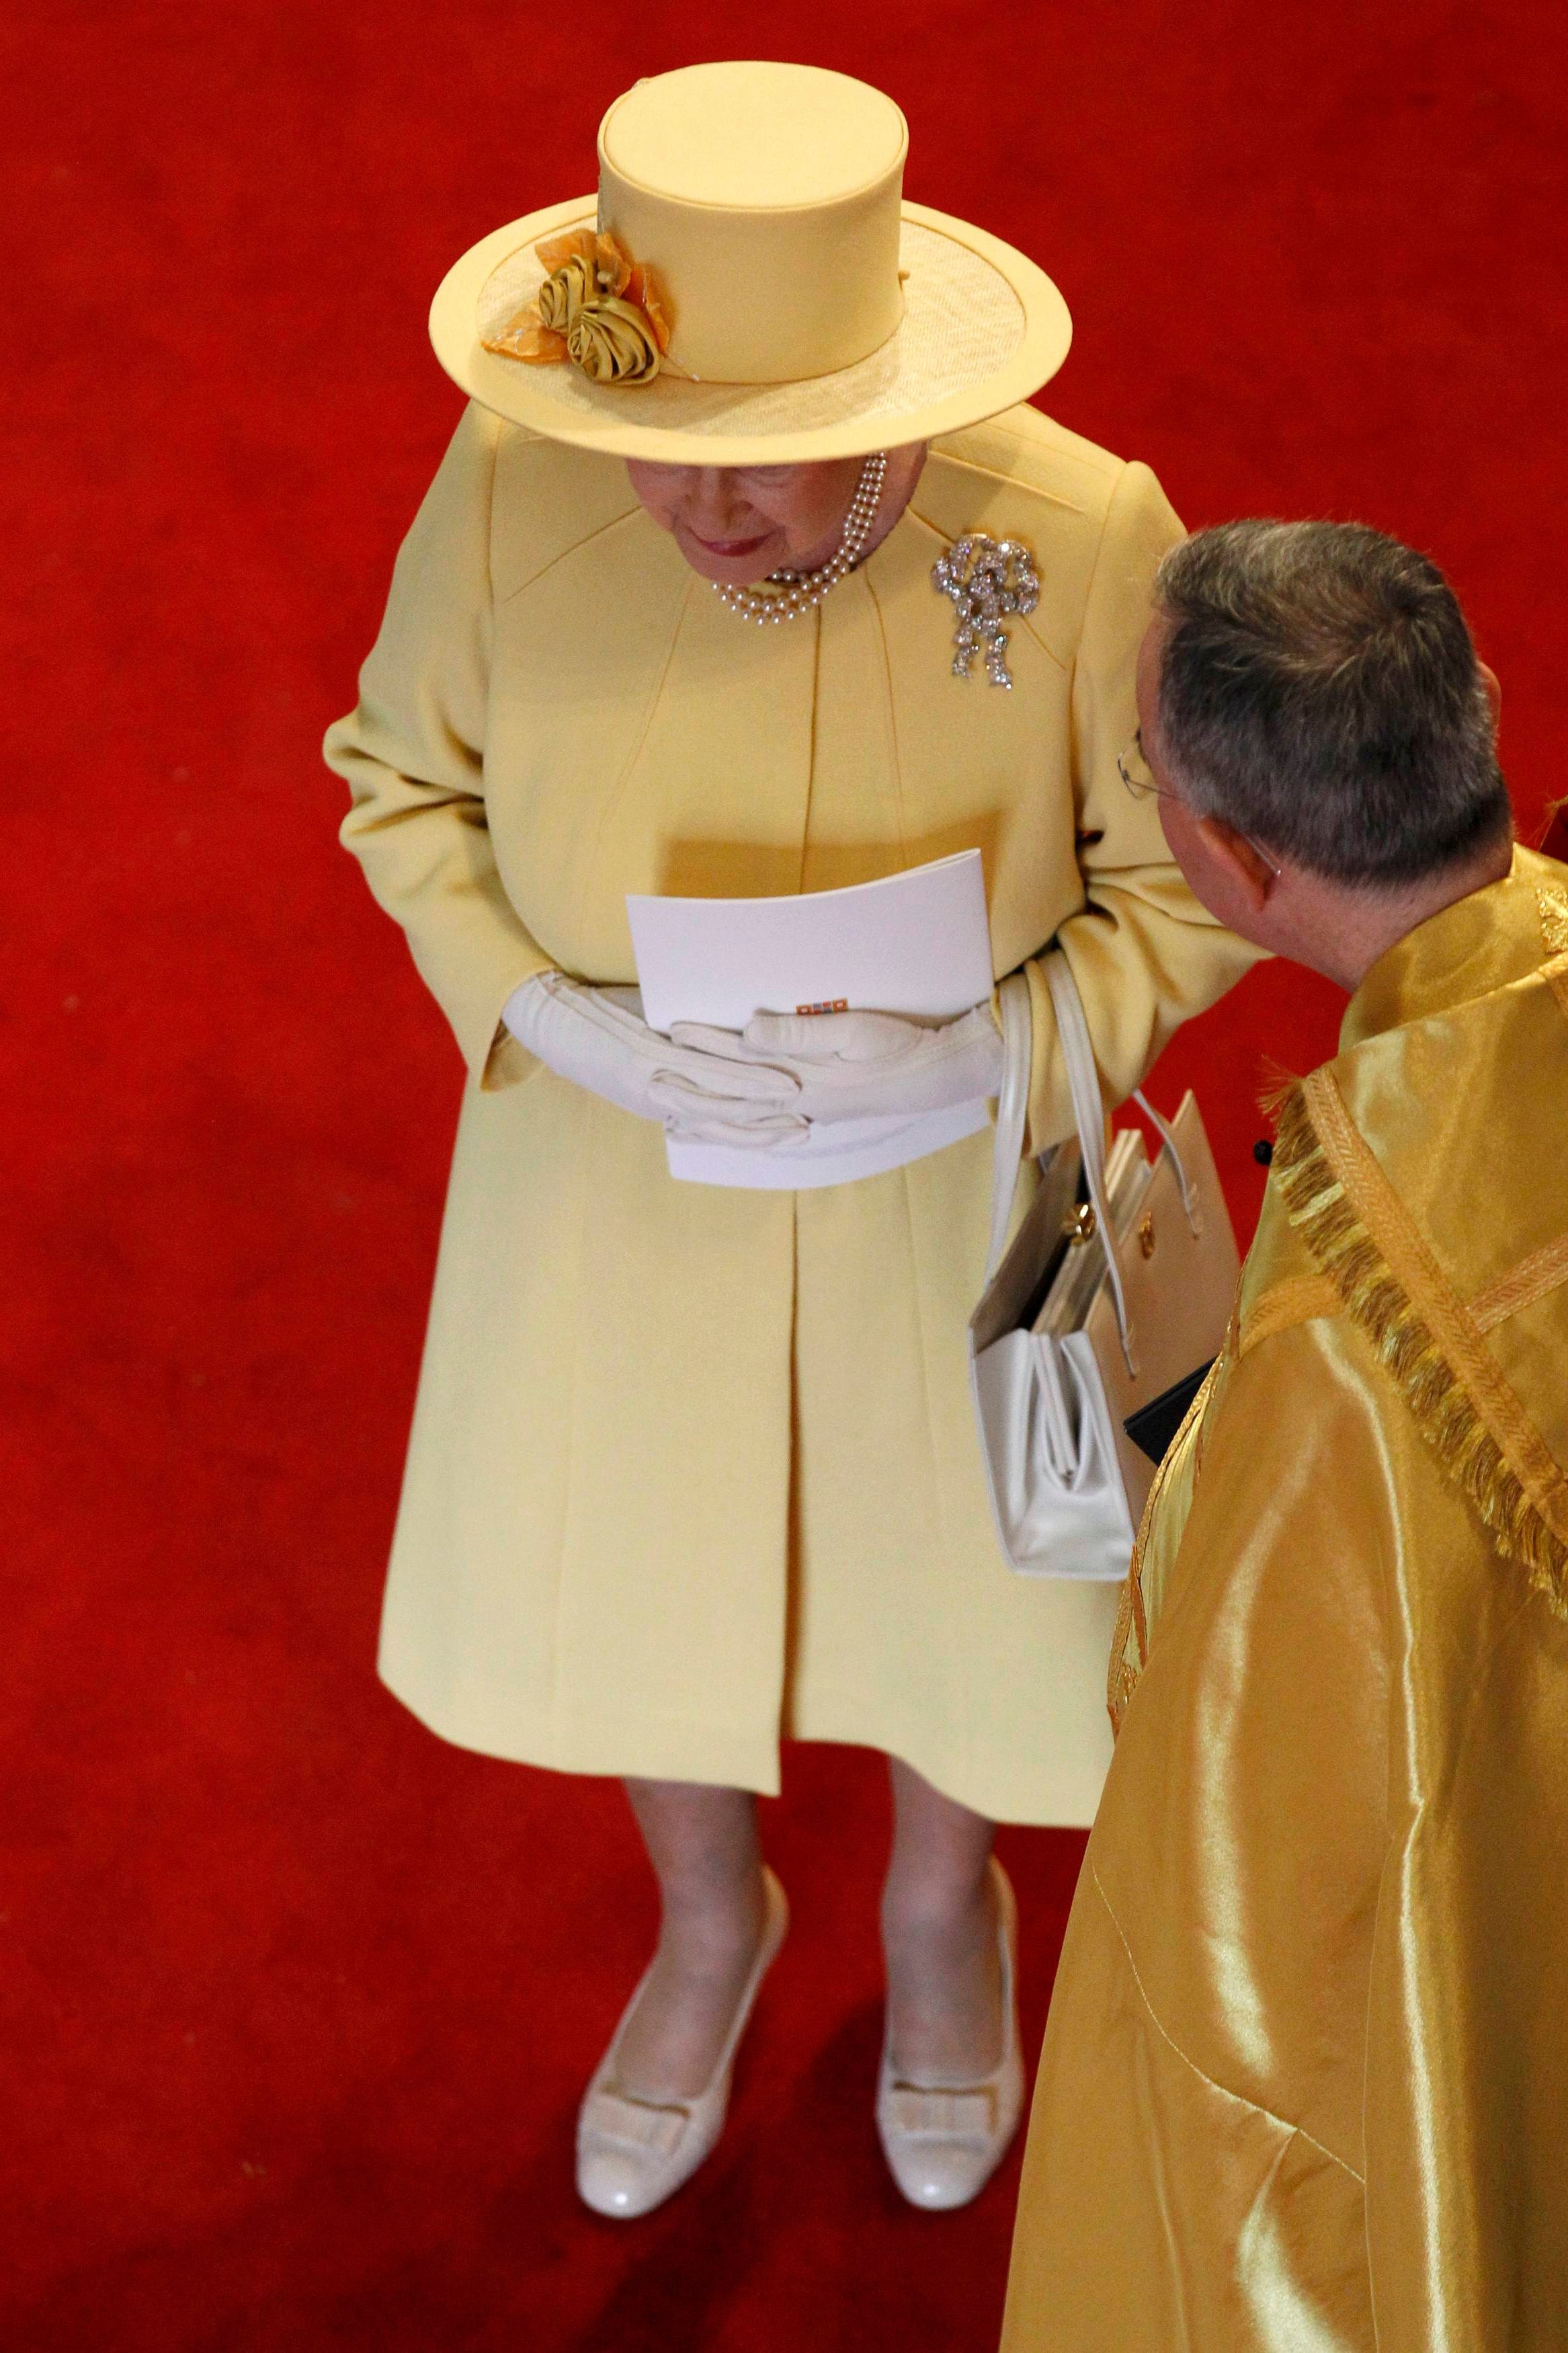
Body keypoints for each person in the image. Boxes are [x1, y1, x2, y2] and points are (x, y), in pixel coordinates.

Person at [325, 61, 1256, 2222]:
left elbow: (1196, 877)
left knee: (979, 1586)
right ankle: (710, 1918)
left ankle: (944, 1912)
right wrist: (537, 1009)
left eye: (767, 456)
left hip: (974, 1180)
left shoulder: (1090, 526)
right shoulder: (507, 475)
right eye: (665, 456)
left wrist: (1014, 1050)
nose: (705, 508)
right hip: (620, 1168)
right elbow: (397, 775)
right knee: (648, 1550)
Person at [1001, 519, 1568, 2348]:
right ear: (1472, 712)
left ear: (1232, 861)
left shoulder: (1341, 1336)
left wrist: (1181, 1433)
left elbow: (1249, 1861)